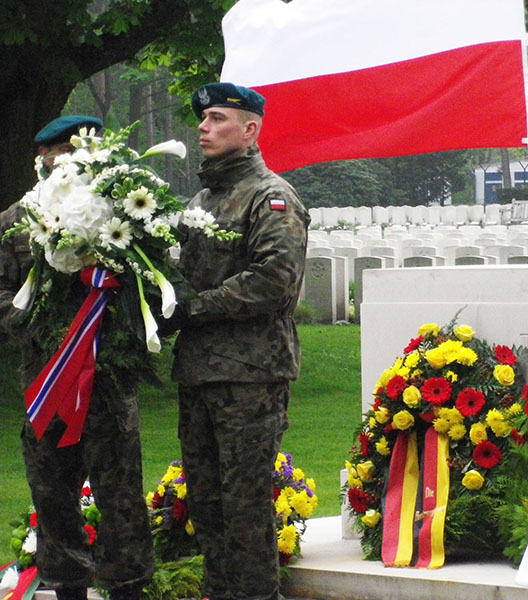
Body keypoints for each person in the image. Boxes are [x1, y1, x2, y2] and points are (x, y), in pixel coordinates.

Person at [163, 82, 309, 600]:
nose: (203, 128)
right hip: (199, 372)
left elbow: (274, 281)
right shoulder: (201, 199)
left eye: (218, 119)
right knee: (205, 504)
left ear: (250, 129)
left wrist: (191, 309)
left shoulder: (271, 197)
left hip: (249, 375)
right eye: (203, 119)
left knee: (244, 507)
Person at [0, 115, 154, 600]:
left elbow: (148, 285)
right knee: (52, 497)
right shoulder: (15, 221)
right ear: (42, 159)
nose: (66, 160)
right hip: (45, 381)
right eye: (57, 153)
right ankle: (67, 588)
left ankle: (128, 587)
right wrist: (27, 321)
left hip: (107, 380)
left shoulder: (122, 216)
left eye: (76, 151)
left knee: (121, 497)